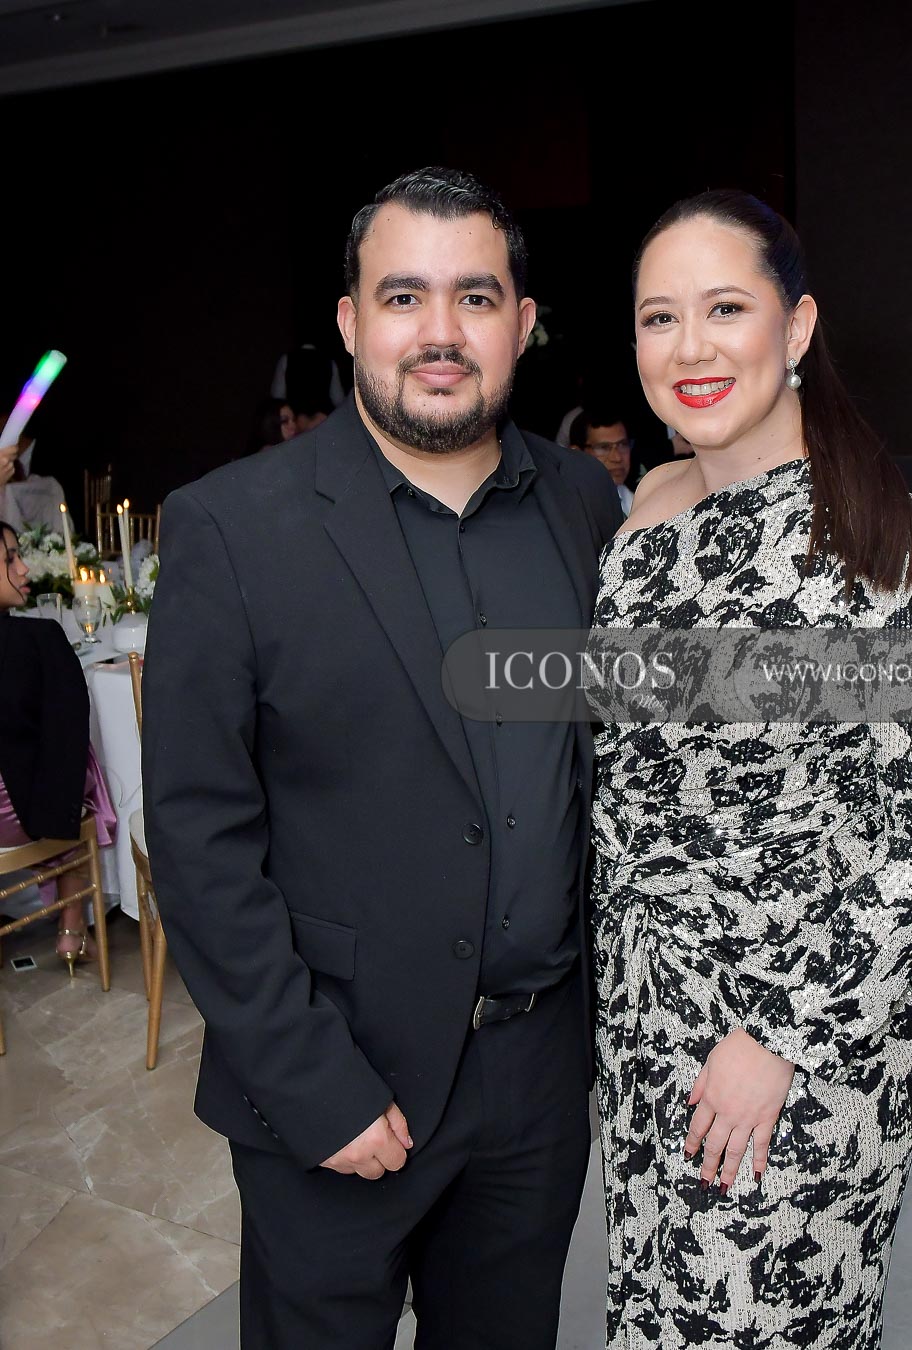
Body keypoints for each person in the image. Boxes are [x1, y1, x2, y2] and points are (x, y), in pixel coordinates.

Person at [143, 165, 624, 1350]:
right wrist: (314, 1086)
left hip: (535, 1081)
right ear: (353, 322)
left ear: (521, 322)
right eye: (404, 296)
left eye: (476, 296)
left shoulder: (584, 504)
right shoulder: (230, 527)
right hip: (339, 1082)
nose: (440, 332)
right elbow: (199, 839)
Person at [589, 190, 912, 1348]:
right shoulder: (648, 511)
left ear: (798, 325)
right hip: (645, 1027)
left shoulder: (885, 545)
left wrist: (778, 1036)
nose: (691, 347)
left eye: (726, 308)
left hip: (803, 1048)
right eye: (660, 317)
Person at [0, 520, 116, 966]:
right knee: (82, 769)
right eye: (10, 558)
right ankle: (71, 928)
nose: (24, 568)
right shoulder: (38, 638)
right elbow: (67, 740)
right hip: (14, 820)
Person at [568, 407, 635, 516]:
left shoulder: (639, 502)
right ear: (576, 453)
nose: (617, 458)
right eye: (603, 447)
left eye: (623, 445)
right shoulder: (565, 506)